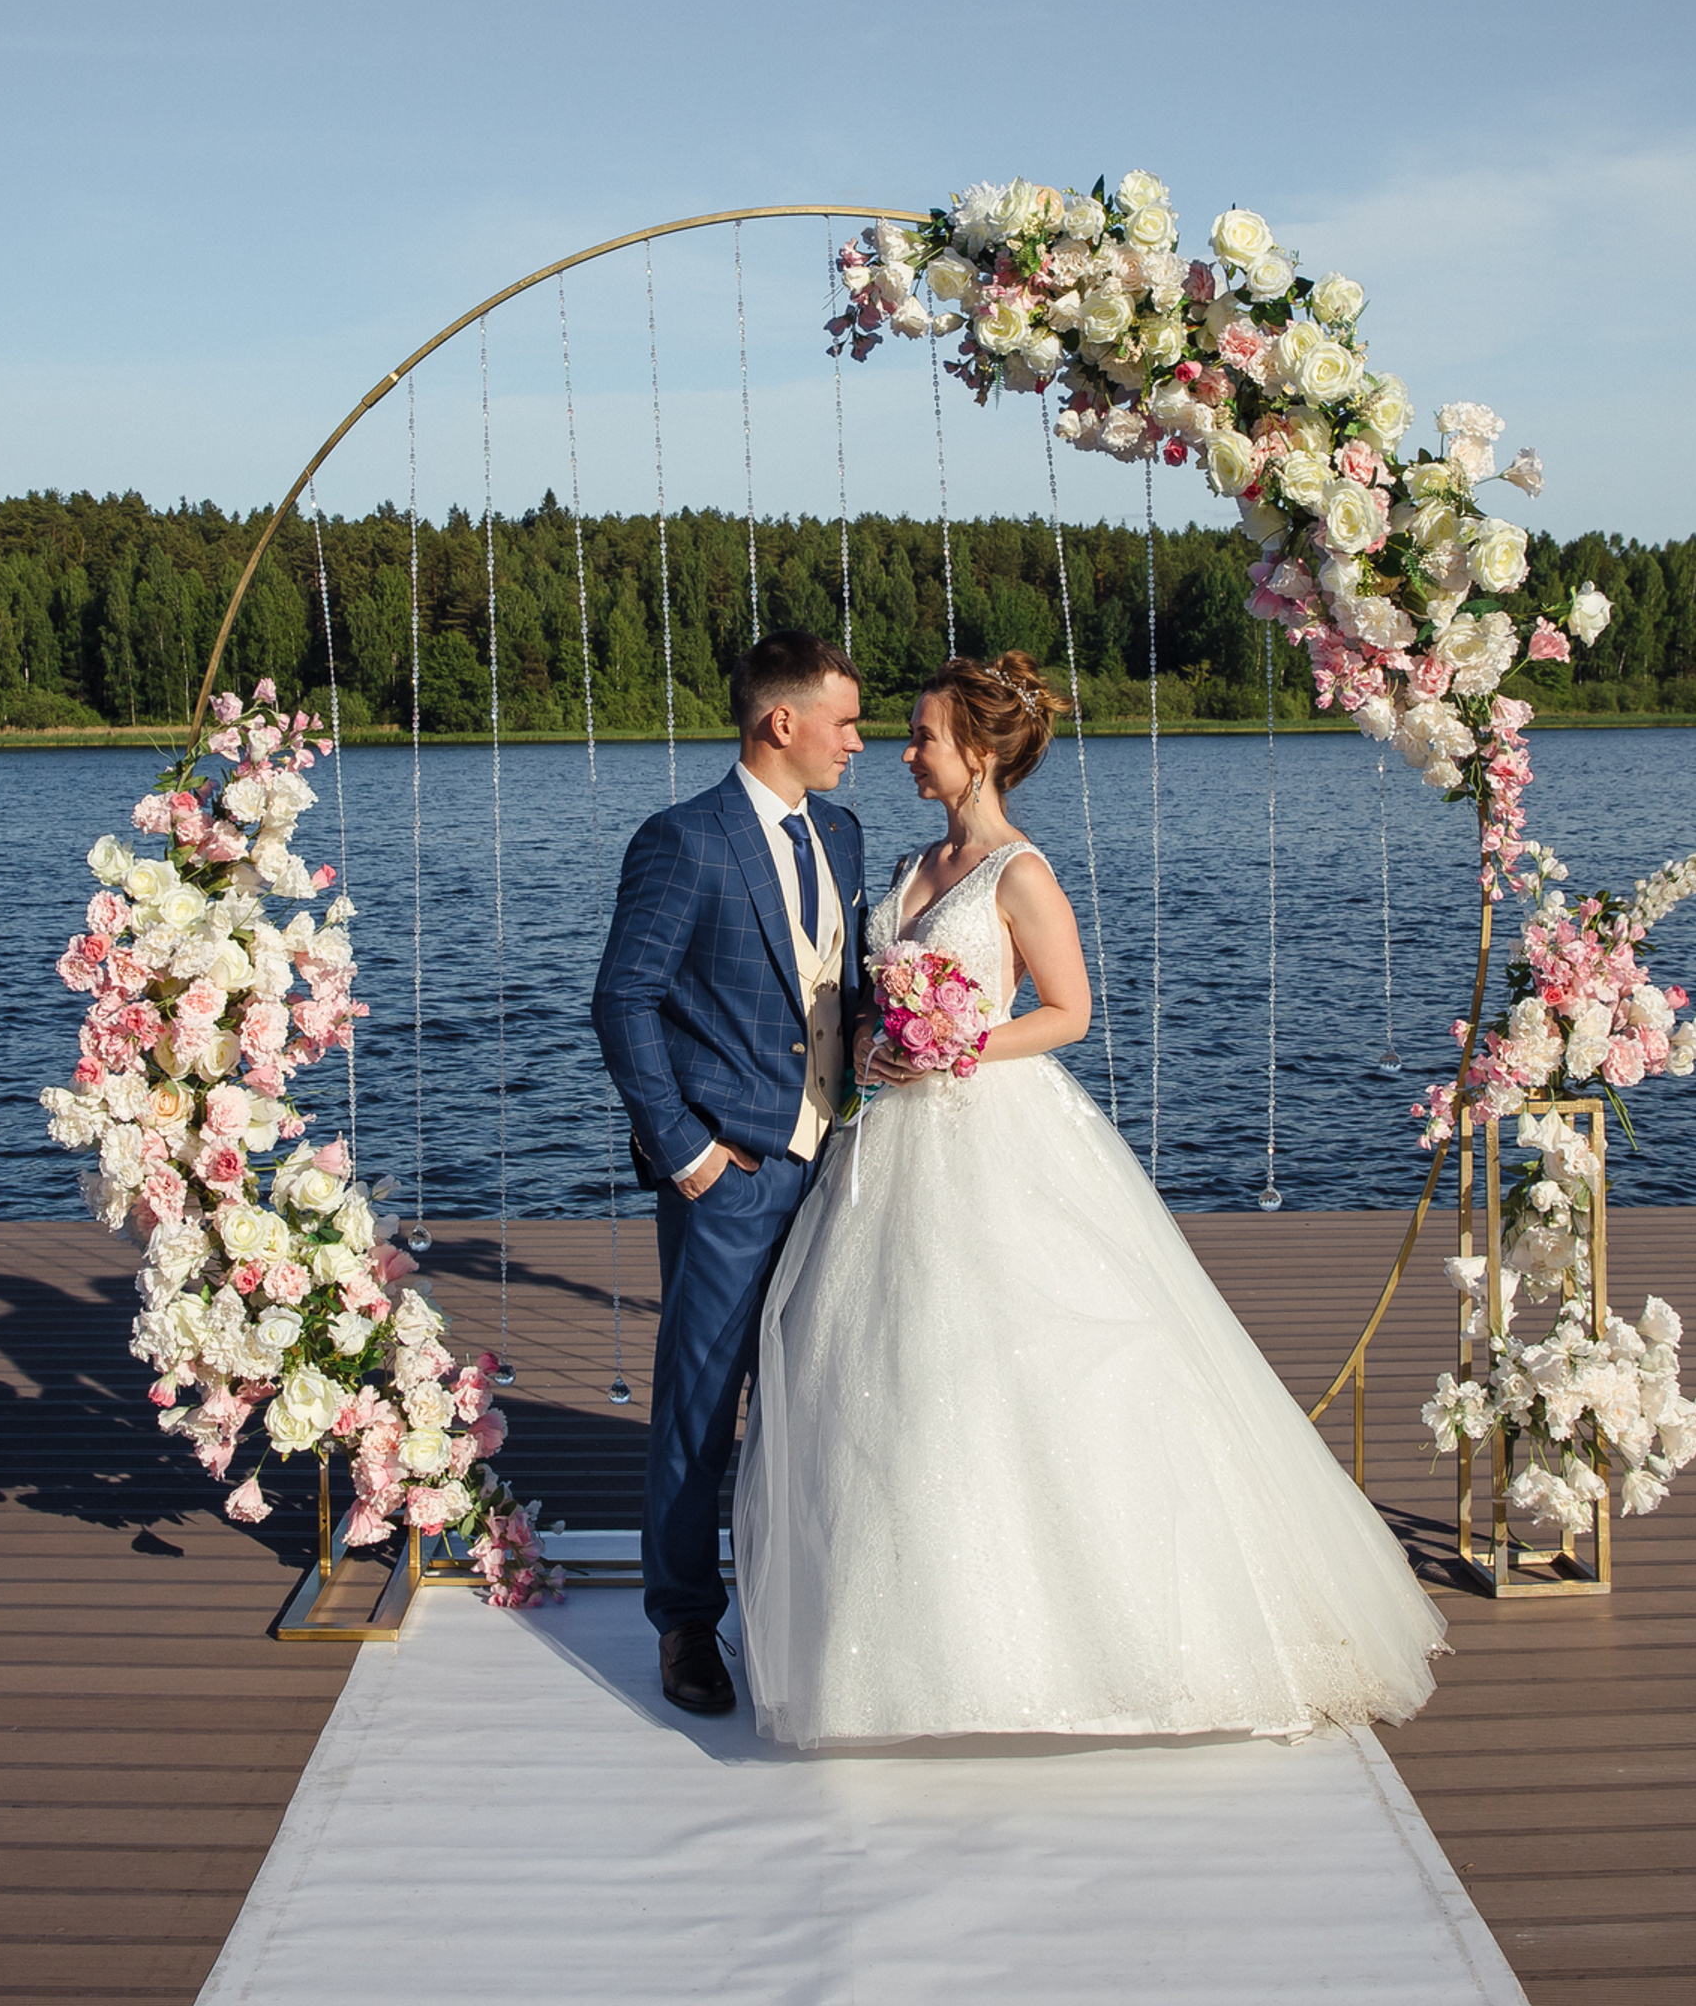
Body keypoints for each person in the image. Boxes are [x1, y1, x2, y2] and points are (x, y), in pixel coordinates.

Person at [733, 650, 1448, 1746]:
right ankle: (906, 1648)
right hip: (889, 1149)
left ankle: (1085, 1641)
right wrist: (883, 1039)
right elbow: (873, 991)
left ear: (976, 751)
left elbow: (1067, 1011)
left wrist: (958, 1046)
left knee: (1016, 1364)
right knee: (891, 1373)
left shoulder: (1018, 873)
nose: (904, 751)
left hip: (991, 1129)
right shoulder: (915, 861)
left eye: (922, 735)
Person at [591, 629, 868, 1717]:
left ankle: (796, 1603)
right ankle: (685, 1623)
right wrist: (690, 1152)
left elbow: (832, 989)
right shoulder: (683, 840)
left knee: (819, 1396)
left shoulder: (840, 832)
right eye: (843, 720)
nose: (859, 740)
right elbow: (623, 1000)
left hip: (838, 1164)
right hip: (734, 1173)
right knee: (700, 1406)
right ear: (781, 722)